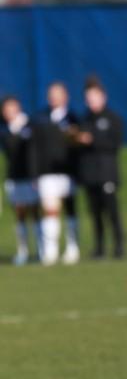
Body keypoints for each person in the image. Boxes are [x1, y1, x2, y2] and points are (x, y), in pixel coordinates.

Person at [77, 77, 125, 259]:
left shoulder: (112, 119)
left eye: (94, 98)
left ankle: (119, 246)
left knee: (112, 212)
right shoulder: (84, 119)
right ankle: (99, 248)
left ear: (103, 97)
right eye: (88, 99)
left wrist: (93, 140)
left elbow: (115, 144)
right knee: (95, 213)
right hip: (90, 174)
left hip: (107, 172)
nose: (91, 102)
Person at [34, 81, 81, 265]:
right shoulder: (41, 119)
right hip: (47, 172)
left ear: (65, 96)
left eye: (58, 94)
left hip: (68, 172)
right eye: (51, 94)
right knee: (50, 210)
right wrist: (35, 172)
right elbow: (35, 149)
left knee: (70, 209)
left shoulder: (73, 118)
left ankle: (72, 247)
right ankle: (50, 250)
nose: (54, 97)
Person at [1, 96, 40, 265]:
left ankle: (41, 250)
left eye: (11, 108)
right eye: (5, 109)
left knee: (35, 213)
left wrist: (35, 175)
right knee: (19, 214)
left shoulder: (29, 125)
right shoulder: (5, 130)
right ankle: (22, 250)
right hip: (13, 178)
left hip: (30, 178)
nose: (8, 112)